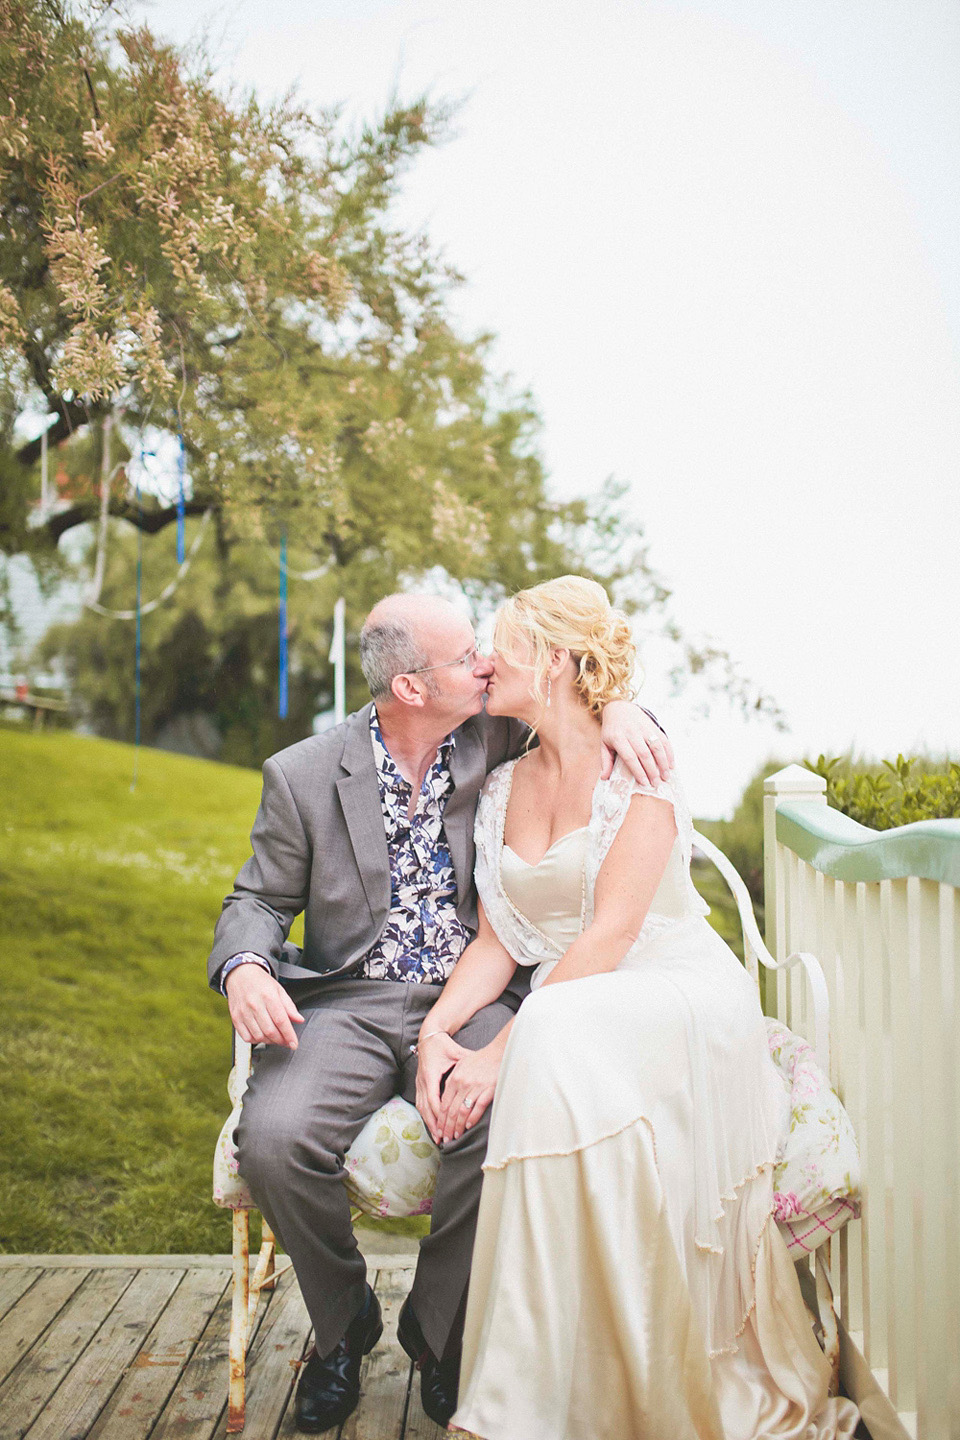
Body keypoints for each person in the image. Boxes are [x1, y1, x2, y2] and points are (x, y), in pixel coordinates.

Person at [206, 590, 671, 1434]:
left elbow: (577, 701)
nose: (487, 664)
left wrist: (627, 708)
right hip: (347, 1004)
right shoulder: (304, 773)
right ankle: (344, 1329)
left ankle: (439, 1331)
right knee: (272, 1137)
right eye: (465, 657)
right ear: (412, 688)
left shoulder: (494, 729)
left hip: (475, 994)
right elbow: (257, 900)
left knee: (510, 1105)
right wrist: (243, 967)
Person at [413, 576, 860, 1440]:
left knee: (547, 1026)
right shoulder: (502, 788)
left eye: (501, 644)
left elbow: (613, 933)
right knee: (554, 1027)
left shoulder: (638, 768)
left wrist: (495, 1055)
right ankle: (543, 1383)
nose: (484, 660)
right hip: (579, 1000)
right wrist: (438, 1033)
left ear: (552, 660)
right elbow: (499, 939)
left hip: (673, 986)